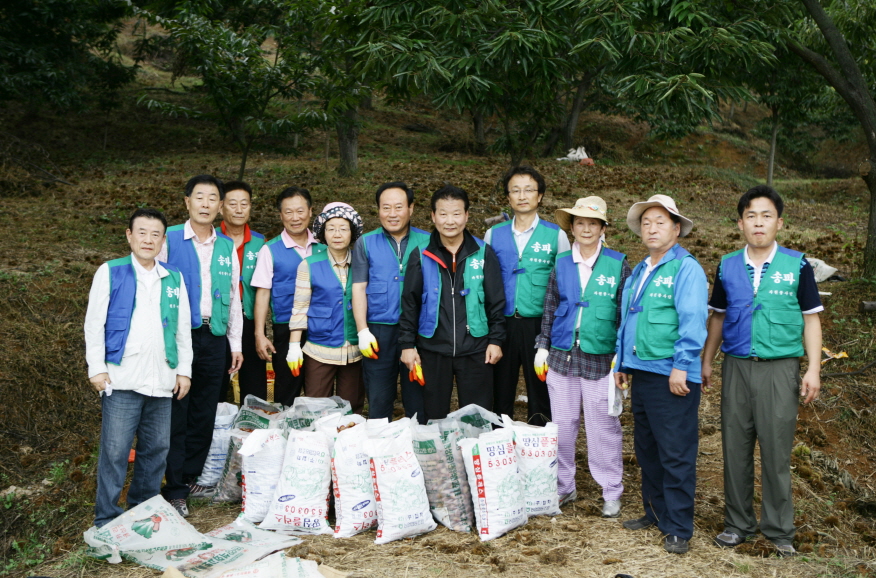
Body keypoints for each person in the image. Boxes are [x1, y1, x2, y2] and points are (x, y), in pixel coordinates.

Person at [702, 185, 823, 557]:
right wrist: (707, 359)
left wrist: (813, 369)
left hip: (780, 369)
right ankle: (737, 524)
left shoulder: (797, 265)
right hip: (736, 367)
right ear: (740, 223)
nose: (758, 222)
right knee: (735, 448)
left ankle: (778, 529)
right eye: (751, 216)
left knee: (775, 450)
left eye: (766, 215)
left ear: (779, 222)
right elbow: (718, 317)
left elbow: (811, 321)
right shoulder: (727, 265)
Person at [84, 208, 193, 528]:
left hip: (161, 377)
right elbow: (94, 324)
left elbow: (182, 327)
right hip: (121, 377)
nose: (148, 239)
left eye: (155, 234)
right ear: (129, 236)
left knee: (157, 448)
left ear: (163, 241)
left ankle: (143, 512)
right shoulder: (110, 271)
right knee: (115, 452)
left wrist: (184, 369)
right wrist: (96, 368)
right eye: (142, 232)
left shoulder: (173, 277)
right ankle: (106, 519)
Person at [614, 194, 707, 554]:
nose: (652, 228)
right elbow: (629, 320)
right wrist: (622, 362)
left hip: (672, 375)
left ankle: (679, 527)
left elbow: (693, 320)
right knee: (648, 448)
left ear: (677, 228)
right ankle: (655, 512)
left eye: (661, 222)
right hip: (642, 371)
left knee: (676, 451)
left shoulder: (686, 269)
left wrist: (682, 366)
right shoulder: (641, 269)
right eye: (647, 223)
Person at [534, 196, 630, 514]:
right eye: (580, 223)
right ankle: (564, 487)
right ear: (572, 227)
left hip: (601, 358)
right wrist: (542, 346)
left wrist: (622, 357)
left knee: (603, 426)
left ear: (602, 228)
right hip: (562, 355)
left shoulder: (618, 263)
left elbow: (625, 314)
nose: (586, 229)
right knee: (562, 424)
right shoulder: (561, 262)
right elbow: (550, 306)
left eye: (593, 223)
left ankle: (611, 490)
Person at [158, 175, 243, 518]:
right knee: (178, 409)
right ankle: (174, 486)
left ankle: (189, 476)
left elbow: (234, 297)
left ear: (219, 206)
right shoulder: (169, 240)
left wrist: (234, 343)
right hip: (180, 336)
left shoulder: (225, 246)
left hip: (215, 336)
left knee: (205, 410)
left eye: (212, 199)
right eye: (199, 197)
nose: (206, 204)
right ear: (187, 202)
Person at [399, 185, 506, 421]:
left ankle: (473, 456)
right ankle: (438, 458)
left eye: (457, 214)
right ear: (433, 216)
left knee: (477, 417)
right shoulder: (421, 254)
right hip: (433, 349)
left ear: (467, 216)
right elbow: (410, 303)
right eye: (444, 214)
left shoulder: (483, 253)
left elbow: (496, 302)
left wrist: (496, 340)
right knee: (433, 417)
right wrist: (407, 344)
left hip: (477, 349)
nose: (450, 221)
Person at [486, 166, 570, 426]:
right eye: (515, 190)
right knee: (500, 389)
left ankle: (540, 449)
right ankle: (499, 446)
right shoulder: (493, 234)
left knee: (541, 388)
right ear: (508, 197)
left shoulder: (556, 235)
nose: (522, 195)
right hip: (503, 324)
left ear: (540, 196)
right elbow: (486, 282)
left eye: (529, 190)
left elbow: (565, 285)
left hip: (540, 326)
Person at [352, 182, 430, 421]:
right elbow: (359, 287)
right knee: (378, 396)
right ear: (378, 210)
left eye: (399, 207)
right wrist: (363, 330)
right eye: (386, 208)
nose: (392, 214)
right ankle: (380, 448)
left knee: (417, 396)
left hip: (418, 331)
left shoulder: (428, 241)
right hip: (378, 333)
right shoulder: (365, 243)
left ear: (411, 208)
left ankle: (419, 447)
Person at [286, 203, 366, 412]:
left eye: (343, 228)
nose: (337, 234)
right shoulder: (309, 264)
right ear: (323, 233)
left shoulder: (362, 262)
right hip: (319, 349)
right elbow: (300, 306)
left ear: (352, 233)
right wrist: (294, 346)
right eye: (331, 228)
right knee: (316, 407)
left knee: (352, 407)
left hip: (354, 350)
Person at [251, 187, 325, 407]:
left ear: (311, 211)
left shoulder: (324, 246)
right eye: (289, 212)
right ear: (280, 215)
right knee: (287, 387)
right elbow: (263, 293)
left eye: (300, 211)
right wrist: (259, 334)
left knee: (318, 388)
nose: (295, 218)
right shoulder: (270, 250)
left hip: (322, 326)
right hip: (286, 327)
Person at [217, 180, 266, 404]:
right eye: (233, 203)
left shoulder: (260, 243)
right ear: (221, 207)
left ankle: (253, 430)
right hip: (218, 320)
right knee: (215, 380)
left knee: (254, 383)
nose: (238, 209)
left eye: (244, 204)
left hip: (250, 319)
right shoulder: (212, 239)